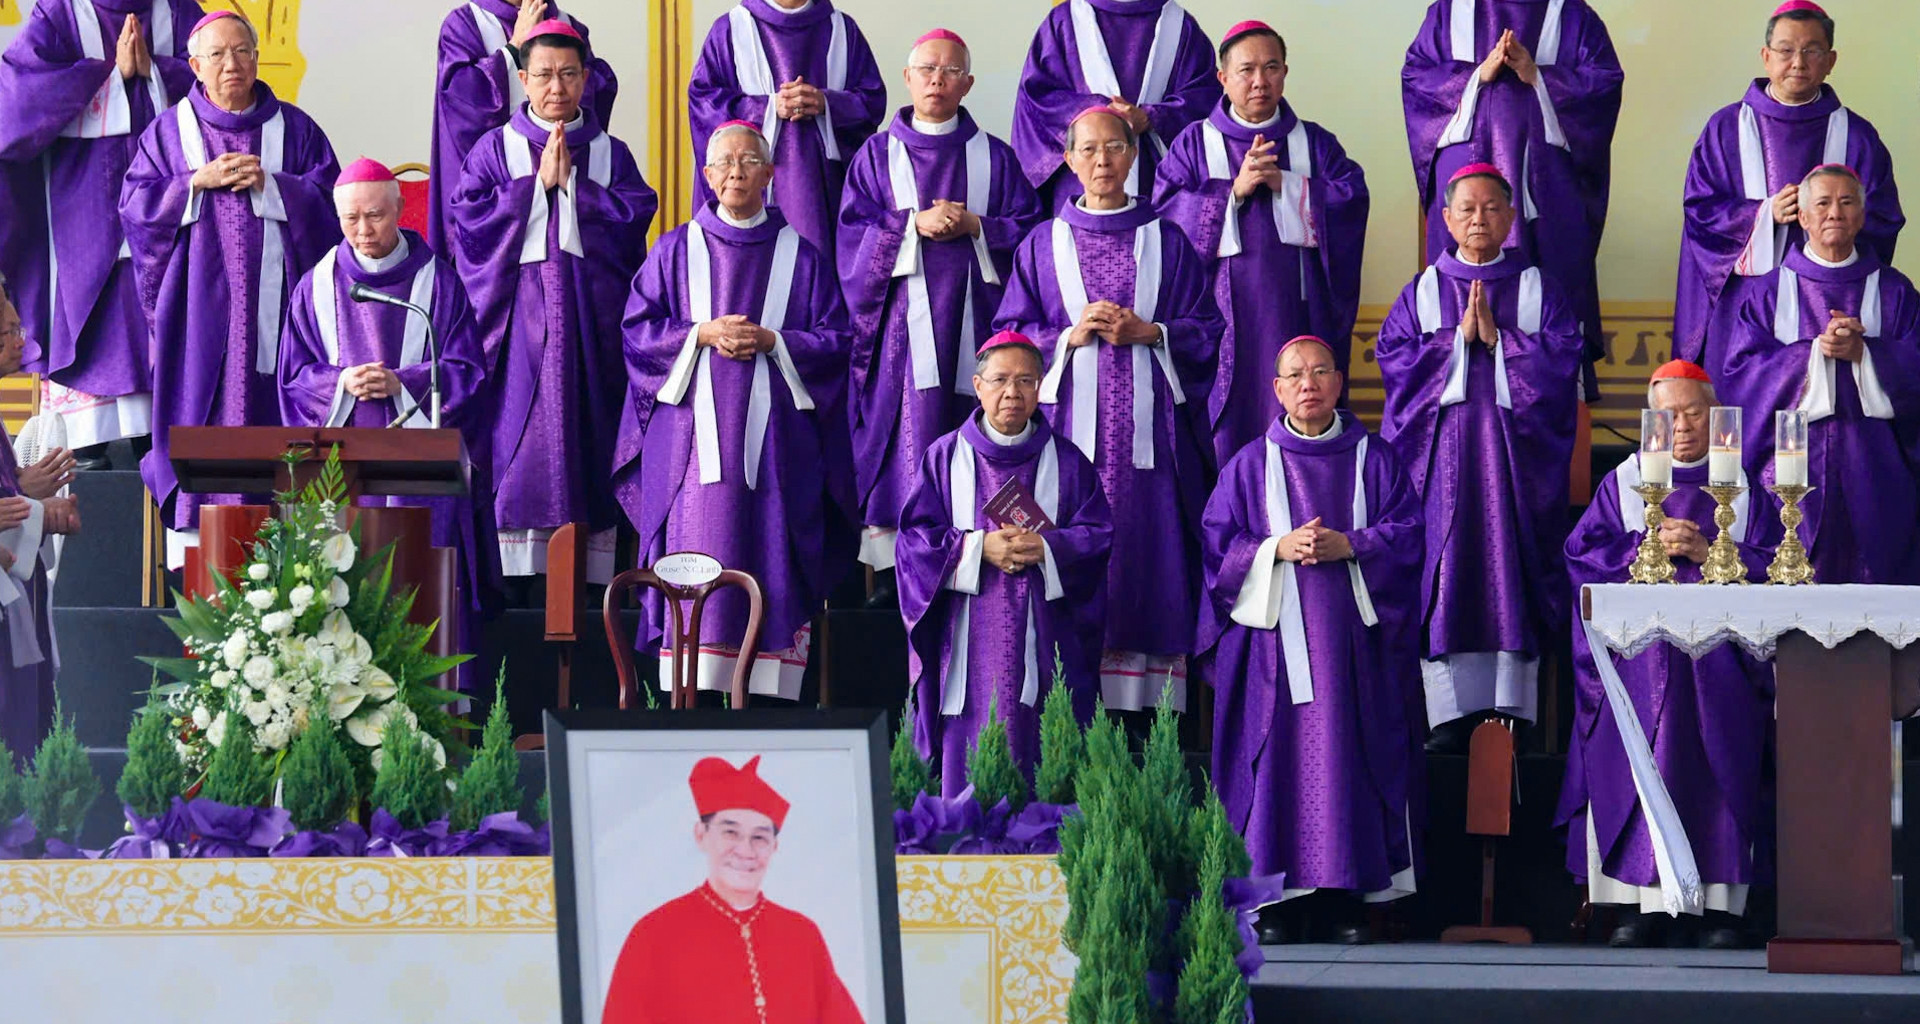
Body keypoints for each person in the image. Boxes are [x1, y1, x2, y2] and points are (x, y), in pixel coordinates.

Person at [994, 106, 1221, 713]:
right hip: (1067, 440)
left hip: (1151, 448)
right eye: (1088, 150)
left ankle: (1150, 712)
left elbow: (1207, 330)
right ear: (1068, 160)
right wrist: (1066, 335)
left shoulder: (1166, 240)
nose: (1102, 161)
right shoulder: (1042, 244)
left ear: (1133, 154)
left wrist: (1152, 332)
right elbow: (1009, 337)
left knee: (1151, 557)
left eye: (1114, 148)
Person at [1199, 335, 1425, 945]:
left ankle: (1341, 897)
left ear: (1338, 383)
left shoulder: (1374, 460)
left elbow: (1409, 537)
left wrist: (1349, 544)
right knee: (1277, 766)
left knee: (1347, 755)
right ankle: (1272, 902)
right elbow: (1217, 549)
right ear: (1277, 389)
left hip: (1352, 650)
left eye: (1320, 371)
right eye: (1294, 374)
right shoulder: (1249, 464)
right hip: (1272, 655)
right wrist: (1276, 547)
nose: (1308, 383)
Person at [615, 121, 850, 703]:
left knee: (771, 537)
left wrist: (775, 342)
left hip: (776, 447)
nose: (737, 172)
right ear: (708, 175)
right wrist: (701, 332)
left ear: (771, 175)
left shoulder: (803, 257)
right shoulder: (675, 250)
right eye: (725, 163)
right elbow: (639, 332)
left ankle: (767, 687)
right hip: (690, 444)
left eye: (750, 162)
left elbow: (836, 341)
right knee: (697, 532)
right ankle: (688, 687)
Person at [1557, 360, 1775, 949]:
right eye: (1666, 414)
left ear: (1716, 415)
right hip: (1639, 668)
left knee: (1718, 762)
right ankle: (1636, 907)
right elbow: (1580, 561)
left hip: (1722, 669)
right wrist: (1642, 546)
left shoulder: (1744, 486)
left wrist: (1709, 550)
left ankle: (1721, 908)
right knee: (1637, 760)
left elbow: (1782, 567)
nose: (1679, 426)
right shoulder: (1622, 482)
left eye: (1693, 412)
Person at [120, 10, 340, 566]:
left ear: (257, 58)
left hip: (279, 321)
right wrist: (193, 183)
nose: (230, 65)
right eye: (216, 55)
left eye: (241, 51)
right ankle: (203, 551)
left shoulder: (296, 130)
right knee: (202, 411)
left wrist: (276, 186)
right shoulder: (171, 133)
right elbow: (135, 209)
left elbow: (331, 204)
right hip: (196, 321)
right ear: (194, 65)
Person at [1374, 164, 1583, 752]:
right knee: (1449, 577)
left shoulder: (1539, 287)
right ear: (1444, 218)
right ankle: (1446, 716)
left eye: (1492, 208)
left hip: (1517, 472)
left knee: (1508, 571)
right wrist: (1453, 344)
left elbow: (1564, 362)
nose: (1478, 219)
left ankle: (1512, 713)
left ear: (1511, 218)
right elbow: (1394, 364)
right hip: (1440, 469)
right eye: (1466, 208)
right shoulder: (1421, 290)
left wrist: (1501, 343)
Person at [837, 29, 1044, 607]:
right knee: (910, 432)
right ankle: (897, 564)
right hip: (901, 342)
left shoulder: (994, 157)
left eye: (951, 71)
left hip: (979, 327)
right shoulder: (876, 157)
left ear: (968, 84)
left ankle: (983, 551)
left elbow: (1031, 239)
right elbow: (850, 242)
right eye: (926, 69)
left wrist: (979, 226)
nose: (937, 79)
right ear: (907, 78)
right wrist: (910, 227)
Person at [449, 19, 656, 586]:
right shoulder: (495, 151)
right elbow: (468, 227)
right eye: (544, 75)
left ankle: (591, 585)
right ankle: (514, 580)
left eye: (569, 74)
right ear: (522, 79)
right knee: (517, 445)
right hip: (516, 333)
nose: (557, 88)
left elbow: (634, 219)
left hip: (593, 330)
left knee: (590, 440)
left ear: (587, 79)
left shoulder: (612, 154)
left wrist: (578, 191)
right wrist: (532, 189)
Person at [279, 158, 502, 679]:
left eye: (375, 216)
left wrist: (405, 381)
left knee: (421, 590)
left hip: (420, 475)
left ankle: (437, 705)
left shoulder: (438, 286)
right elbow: (292, 380)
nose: (364, 230)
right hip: (342, 474)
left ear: (401, 210)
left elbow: (469, 373)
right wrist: (340, 383)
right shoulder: (315, 287)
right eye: (351, 219)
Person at [896, 331, 1112, 796]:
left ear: (1041, 387)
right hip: (967, 640)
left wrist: (1049, 549)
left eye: (1025, 381)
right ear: (978, 386)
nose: (1012, 392)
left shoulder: (1069, 463)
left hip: (1047, 636)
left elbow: (1097, 536)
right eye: (1000, 380)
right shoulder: (945, 457)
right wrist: (977, 549)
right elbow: (914, 542)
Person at [0, 0, 203, 471]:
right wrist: (108, 75)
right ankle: (84, 443)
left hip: (166, 201)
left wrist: (153, 73)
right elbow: (15, 102)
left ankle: (157, 440)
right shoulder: (61, 14)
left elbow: (220, 87)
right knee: (90, 310)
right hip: (81, 200)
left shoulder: (176, 11)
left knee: (159, 311)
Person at [1155, 20, 1369, 465]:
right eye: (1247, 69)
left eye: (1271, 68)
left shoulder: (1314, 143)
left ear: (1285, 73)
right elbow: (1163, 225)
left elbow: (1352, 200)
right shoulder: (1193, 144)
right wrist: (1230, 193)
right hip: (1220, 322)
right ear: (1223, 78)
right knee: (1225, 434)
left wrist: (1290, 186)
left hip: (1296, 314)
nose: (1260, 81)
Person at [1401, 0, 1622, 399]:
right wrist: (1474, 78)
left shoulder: (1570, 14)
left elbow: (1603, 84)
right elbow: (1416, 78)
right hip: (1466, 167)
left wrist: (1538, 77)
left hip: (1546, 192)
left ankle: (1551, 393)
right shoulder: (1449, 12)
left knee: (1548, 290)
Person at [1675, 0, 1902, 375]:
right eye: (1785, 50)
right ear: (1766, 57)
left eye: (1811, 51)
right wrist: (1762, 216)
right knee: (1746, 405)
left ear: (1830, 61)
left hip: (1828, 300)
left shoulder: (1857, 136)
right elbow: (1700, 213)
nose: (1797, 62)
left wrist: (1833, 225)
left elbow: (1882, 217)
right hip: (1744, 302)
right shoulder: (1726, 129)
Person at [1720, 164, 1920, 585]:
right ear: (1803, 218)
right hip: (1788, 473)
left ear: (1862, 217)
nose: (1835, 213)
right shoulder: (1766, 293)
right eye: (1823, 203)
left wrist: (1867, 355)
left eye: (1847, 202)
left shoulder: (1895, 291)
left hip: (1878, 468)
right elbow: (1739, 377)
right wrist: (1814, 355)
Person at [602, 755, 864, 1024]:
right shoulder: (652, 934)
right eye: (731, 833)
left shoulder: (802, 934)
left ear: (774, 846)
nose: (746, 851)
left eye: (760, 837)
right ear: (701, 835)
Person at [687, 0, 887, 261]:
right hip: (755, 182)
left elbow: (871, 101)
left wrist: (827, 103)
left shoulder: (842, 29)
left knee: (816, 276)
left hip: (821, 190)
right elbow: (704, 102)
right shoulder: (730, 29)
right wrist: (767, 108)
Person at [428, 0, 618, 259]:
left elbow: (591, 97)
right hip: (499, 178)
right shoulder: (466, 24)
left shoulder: (568, 25)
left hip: (568, 169)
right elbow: (461, 102)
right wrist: (513, 48)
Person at [1011, 0, 1219, 214]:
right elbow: (1037, 96)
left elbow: (1204, 98)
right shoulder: (1064, 21)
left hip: (1157, 179)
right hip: (1081, 182)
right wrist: (1104, 116)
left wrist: (1151, 118)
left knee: (1157, 243)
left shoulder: (1180, 25)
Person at [0, 278, 83, 767]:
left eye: (18, 328)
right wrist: (30, 505)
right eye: (8, 332)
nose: (21, 342)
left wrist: (39, 511)